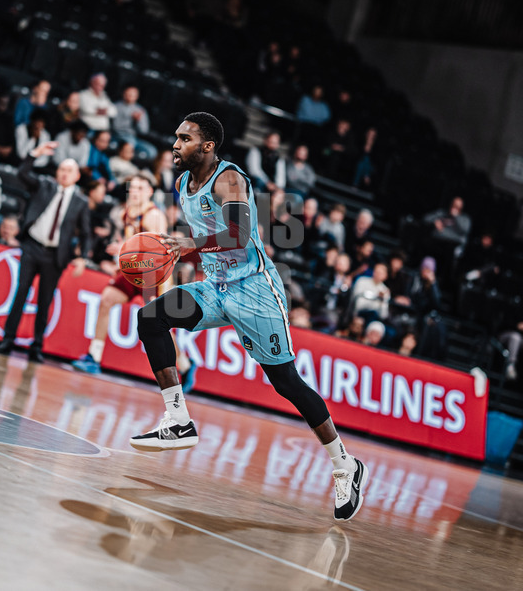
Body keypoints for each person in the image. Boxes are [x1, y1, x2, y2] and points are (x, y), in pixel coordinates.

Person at [128, 112, 367, 521]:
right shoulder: (183, 183)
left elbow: (238, 235)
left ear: (208, 146)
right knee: (150, 319)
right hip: (216, 287)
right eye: (176, 137)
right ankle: (178, 419)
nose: (175, 144)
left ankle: (345, 464)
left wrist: (189, 244)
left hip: (255, 291)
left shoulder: (229, 179)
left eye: (185, 138)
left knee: (286, 382)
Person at [0, 148, 91, 362]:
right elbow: (22, 174)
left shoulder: (81, 202)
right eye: (62, 169)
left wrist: (82, 257)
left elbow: (86, 233)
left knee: (45, 302)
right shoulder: (45, 185)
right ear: (57, 172)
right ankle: (7, 339)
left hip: (55, 256)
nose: (64, 174)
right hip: (32, 246)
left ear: (76, 176)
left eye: (69, 171)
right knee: (20, 293)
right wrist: (34, 154)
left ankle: (37, 346)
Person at [73, 173, 172, 373]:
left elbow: (158, 251)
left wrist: (125, 251)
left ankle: (185, 366)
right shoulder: (126, 212)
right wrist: (120, 255)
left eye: (140, 188)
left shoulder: (154, 216)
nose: (134, 192)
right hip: (132, 272)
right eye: (132, 188)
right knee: (106, 300)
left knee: (157, 325)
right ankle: (94, 356)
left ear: (150, 192)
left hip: (152, 276)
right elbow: (129, 240)